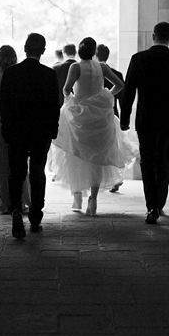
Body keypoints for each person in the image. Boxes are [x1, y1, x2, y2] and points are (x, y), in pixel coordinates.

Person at [50, 37, 137, 216]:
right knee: (97, 156)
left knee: (75, 153)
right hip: (99, 115)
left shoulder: (75, 67)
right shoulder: (102, 67)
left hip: (80, 114)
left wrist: (72, 98)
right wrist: (105, 95)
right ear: (94, 51)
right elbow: (120, 85)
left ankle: (77, 196)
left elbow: (66, 89)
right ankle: (93, 199)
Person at [119, 22, 169, 225]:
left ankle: (151, 205)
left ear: (153, 36)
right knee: (163, 159)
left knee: (147, 160)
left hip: (145, 118)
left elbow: (129, 92)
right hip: (167, 119)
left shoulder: (138, 59)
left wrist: (124, 119)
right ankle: (160, 202)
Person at [0, 33, 60, 239]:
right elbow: (54, 106)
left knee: (16, 174)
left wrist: (6, 130)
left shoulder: (11, 73)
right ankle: (35, 215)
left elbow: (4, 106)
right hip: (40, 133)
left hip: (16, 132)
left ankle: (16, 210)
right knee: (37, 172)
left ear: (25, 49)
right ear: (43, 51)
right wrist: (53, 130)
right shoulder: (49, 75)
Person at [0, 45, 30, 214]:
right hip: (16, 119)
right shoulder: (19, 74)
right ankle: (19, 200)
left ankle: (2, 200)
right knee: (17, 160)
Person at [96, 43, 125, 193]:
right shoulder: (117, 74)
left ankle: (101, 178)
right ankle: (115, 179)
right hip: (113, 113)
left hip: (97, 115)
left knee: (99, 149)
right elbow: (122, 99)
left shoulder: (94, 72)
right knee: (113, 148)